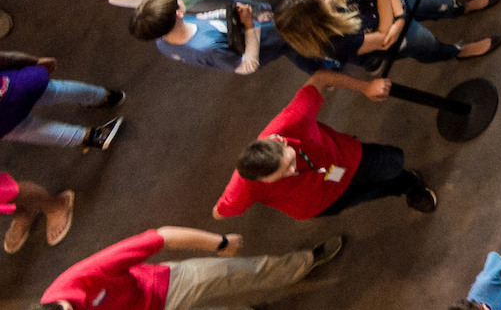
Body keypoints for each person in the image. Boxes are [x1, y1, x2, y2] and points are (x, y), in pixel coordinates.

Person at [212, 81, 434, 220]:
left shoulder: (294, 119)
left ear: (282, 142)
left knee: (393, 161)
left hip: (345, 159)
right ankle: (406, 188)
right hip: (321, 202)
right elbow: (220, 212)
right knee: (368, 192)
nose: (291, 170)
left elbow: (320, 78)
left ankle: (406, 179)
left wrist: (365, 87)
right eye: (281, 175)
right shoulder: (243, 186)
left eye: (289, 162)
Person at [38, 226, 348, 310]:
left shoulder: (82, 277)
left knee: (246, 273)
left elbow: (161, 236)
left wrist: (220, 243)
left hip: (167, 285)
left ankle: (305, 262)